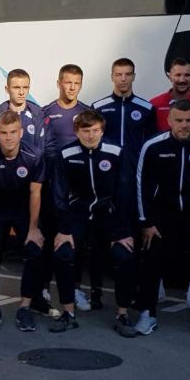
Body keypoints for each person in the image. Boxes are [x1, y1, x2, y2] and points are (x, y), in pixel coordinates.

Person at [134, 100, 190, 340]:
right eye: (179, 120)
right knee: (151, 262)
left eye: (189, 120)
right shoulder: (153, 146)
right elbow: (142, 185)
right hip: (162, 217)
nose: (184, 125)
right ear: (169, 120)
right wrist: (146, 222)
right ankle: (147, 313)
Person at [53, 109, 137, 337]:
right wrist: (63, 229)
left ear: (102, 130)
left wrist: (122, 231)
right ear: (77, 132)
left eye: (95, 130)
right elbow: (59, 193)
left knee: (124, 255)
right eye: (86, 131)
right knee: (63, 253)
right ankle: (68, 313)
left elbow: (125, 191)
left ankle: (122, 315)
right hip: (78, 214)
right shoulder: (66, 154)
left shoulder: (116, 152)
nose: (91, 135)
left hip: (109, 215)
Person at [0, 110, 45, 332]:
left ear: (21, 132)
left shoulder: (35, 156)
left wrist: (33, 229)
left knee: (34, 250)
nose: (8, 137)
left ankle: (25, 307)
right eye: (4, 133)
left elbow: (35, 194)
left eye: (13, 132)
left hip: (23, 209)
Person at [41, 64, 91, 310]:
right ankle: (43, 287)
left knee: (76, 243)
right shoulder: (46, 112)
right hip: (52, 187)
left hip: (79, 191)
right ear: (59, 83)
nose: (71, 87)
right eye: (67, 82)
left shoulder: (87, 113)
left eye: (76, 83)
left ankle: (75, 289)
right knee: (49, 237)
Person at [91, 58, 157, 160]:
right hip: (106, 163)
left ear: (133, 77)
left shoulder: (147, 108)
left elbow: (151, 142)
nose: (123, 79)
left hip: (135, 164)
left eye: (128, 74)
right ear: (112, 77)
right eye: (118, 75)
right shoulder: (98, 107)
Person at [0, 68, 45, 159]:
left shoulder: (41, 117)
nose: (21, 92)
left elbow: (46, 153)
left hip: (32, 167)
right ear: (7, 89)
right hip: (0, 167)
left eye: (25, 87)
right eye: (16, 88)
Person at [149, 58, 190, 133]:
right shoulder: (155, 104)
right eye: (178, 75)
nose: (182, 80)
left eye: (187, 75)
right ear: (170, 77)